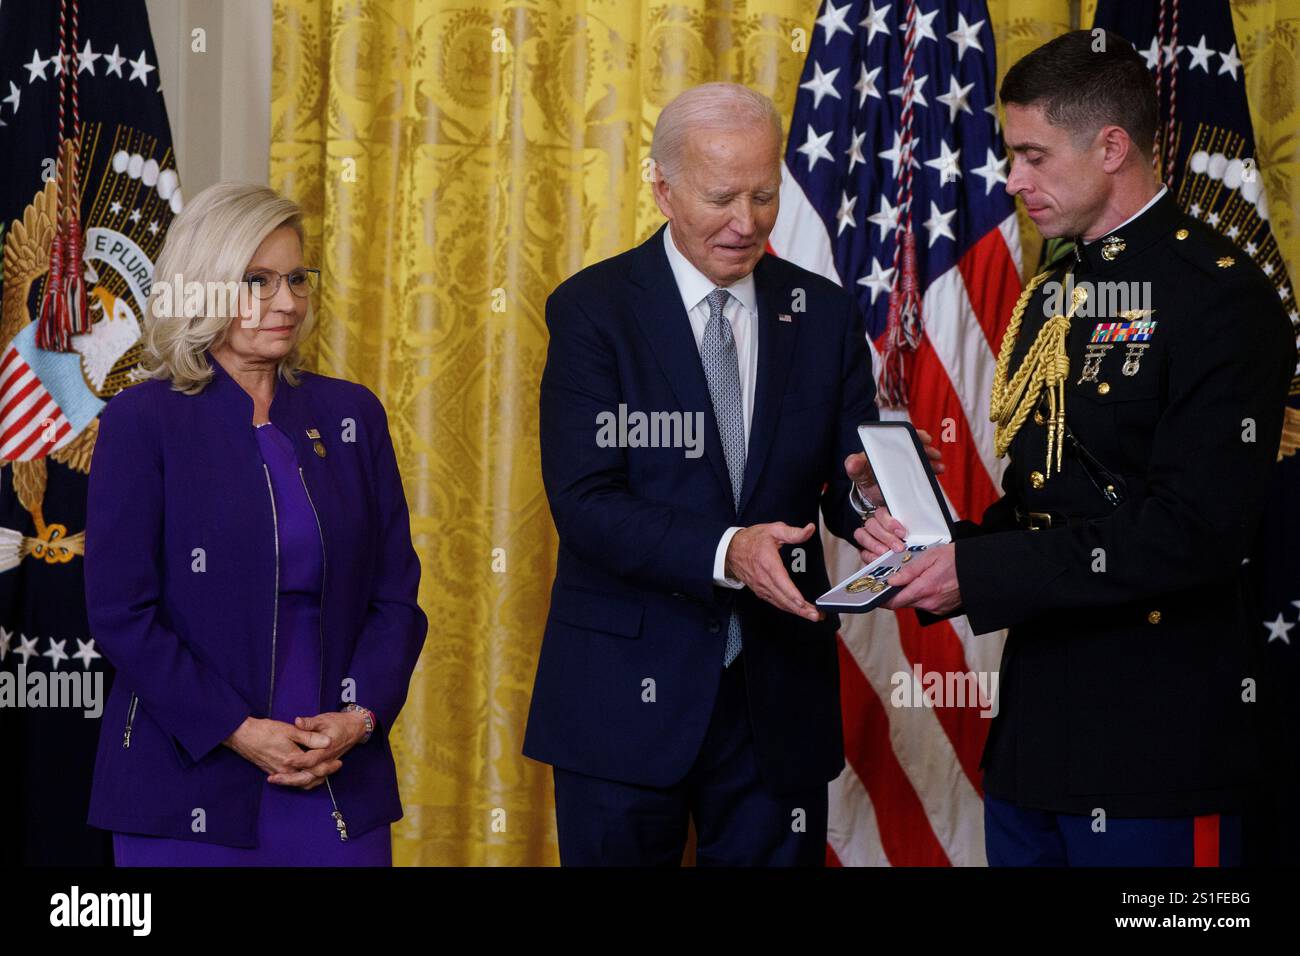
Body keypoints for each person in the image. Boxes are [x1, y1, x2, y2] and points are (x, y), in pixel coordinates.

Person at [858, 31, 1294, 866]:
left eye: (1031, 156)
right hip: (1035, 738)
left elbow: (1195, 532)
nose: (1013, 181)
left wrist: (979, 574)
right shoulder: (1056, 290)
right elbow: (1049, 510)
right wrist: (940, 551)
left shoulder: (1221, 295)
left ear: (1111, 146)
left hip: (1159, 750)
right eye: (1009, 155)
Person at [523, 82, 938, 866]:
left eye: (763, 195)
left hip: (776, 701)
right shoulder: (593, 311)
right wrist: (729, 549)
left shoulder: (821, 311)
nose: (745, 223)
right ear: (661, 186)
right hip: (623, 697)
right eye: (720, 197)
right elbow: (585, 502)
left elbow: (841, 476)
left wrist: (873, 494)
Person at [84, 182, 428, 865]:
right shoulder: (143, 422)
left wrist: (358, 721)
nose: (286, 302)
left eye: (296, 279)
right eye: (256, 281)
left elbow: (395, 599)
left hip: (336, 777)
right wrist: (236, 729)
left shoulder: (350, 414)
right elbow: (123, 613)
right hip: (188, 777)